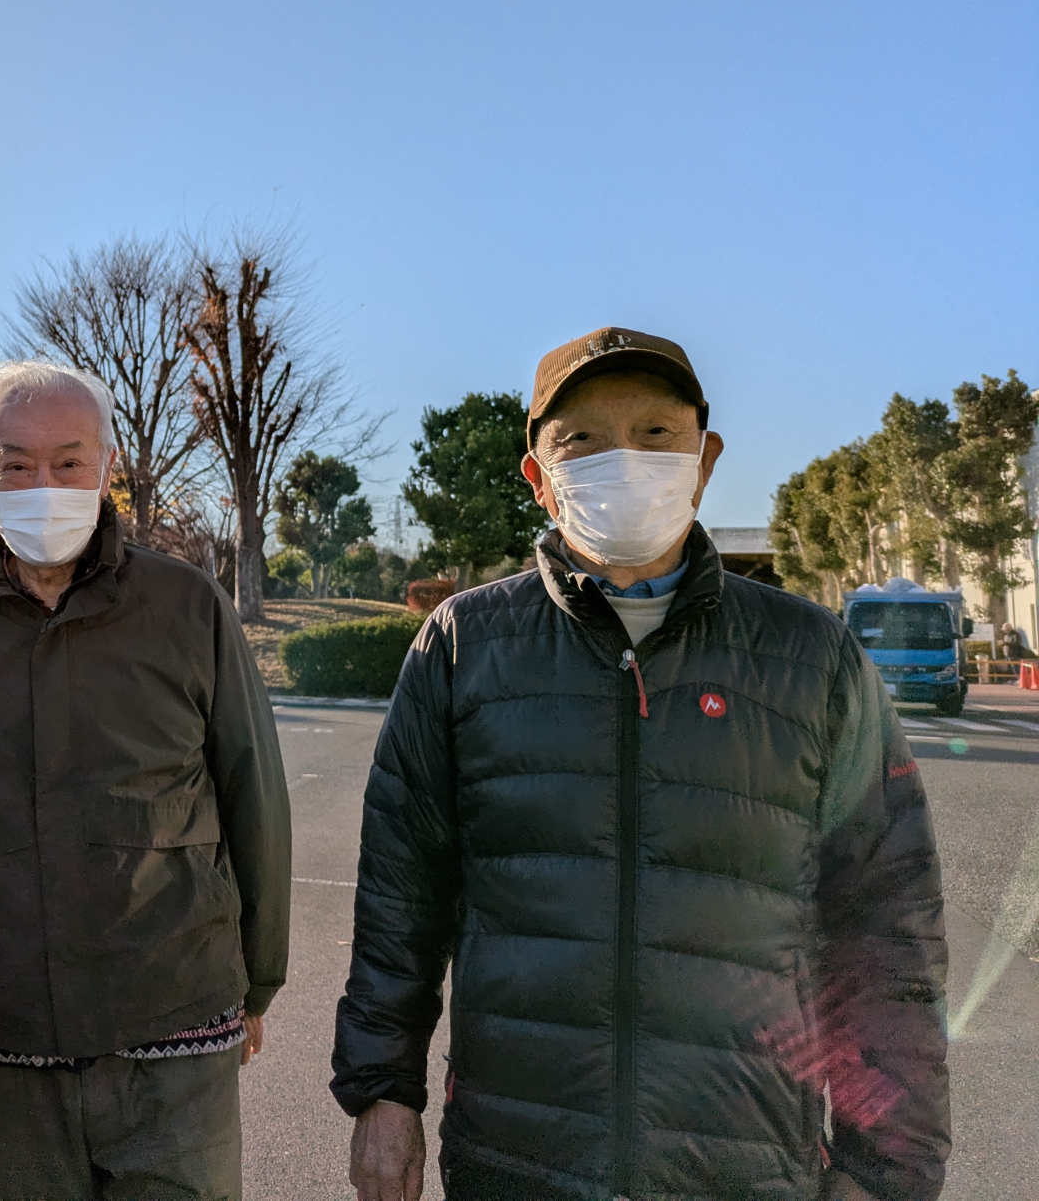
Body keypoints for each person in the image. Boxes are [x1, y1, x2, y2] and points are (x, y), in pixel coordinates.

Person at [334, 327, 950, 1201]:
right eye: (582, 441)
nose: (622, 460)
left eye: (656, 434)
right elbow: (400, 898)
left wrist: (884, 1168)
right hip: (517, 1157)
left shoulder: (811, 657)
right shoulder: (466, 647)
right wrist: (383, 1092)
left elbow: (887, 924)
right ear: (538, 477)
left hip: (744, 1165)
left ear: (704, 460)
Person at [0, 358, 292, 1201]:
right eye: (16, 464)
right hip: (10, 1044)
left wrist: (260, 977)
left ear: (107, 465)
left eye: (69, 461)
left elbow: (254, 797)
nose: (43, 485)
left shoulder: (187, 606)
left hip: (177, 1024)